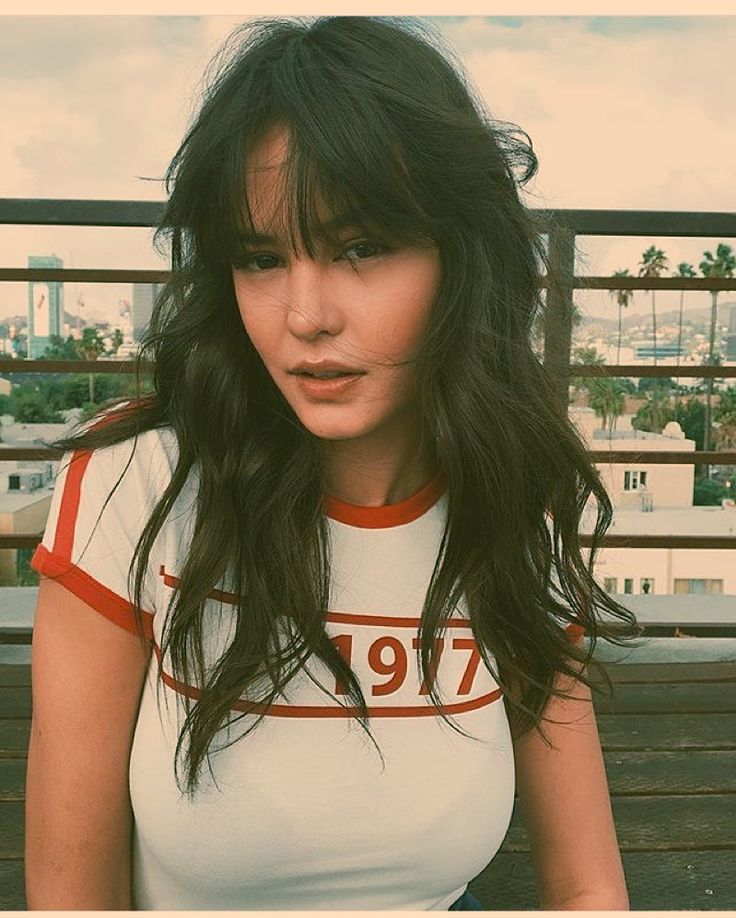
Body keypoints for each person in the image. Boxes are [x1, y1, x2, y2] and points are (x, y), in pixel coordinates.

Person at [24, 16, 637, 911]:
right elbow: (72, 897)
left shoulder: (513, 510)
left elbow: (588, 885)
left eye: (360, 248)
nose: (305, 315)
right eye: (262, 257)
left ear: (459, 259)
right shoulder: (140, 486)